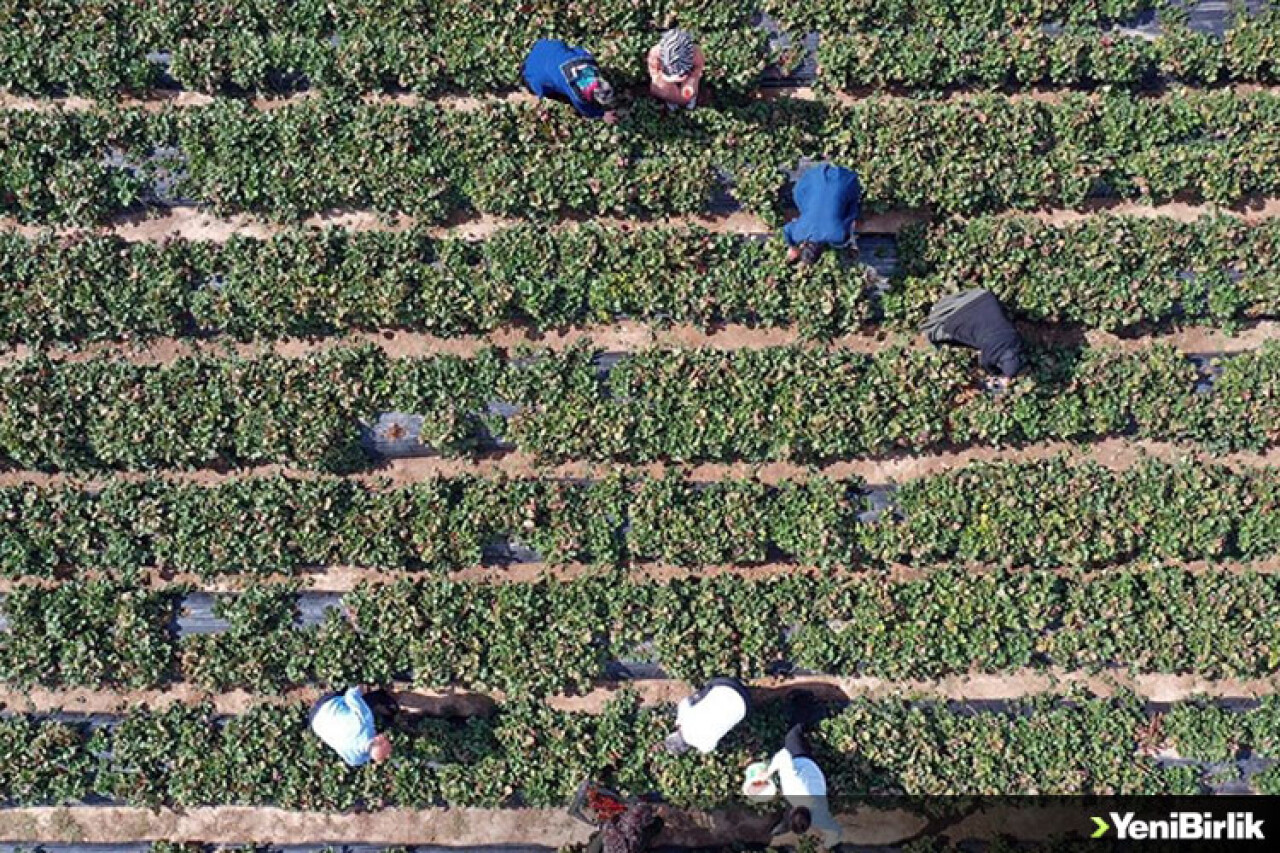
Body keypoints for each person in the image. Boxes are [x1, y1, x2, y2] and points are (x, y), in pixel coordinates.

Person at [766, 691, 842, 849]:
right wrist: (767, 773)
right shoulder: (796, 788)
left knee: (793, 740)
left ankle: (783, 825)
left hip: (815, 779)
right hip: (805, 763)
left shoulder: (821, 817)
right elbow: (784, 755)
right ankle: (805, 699)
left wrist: (825, 846)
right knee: (792, 734)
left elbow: (836, 833)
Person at [921, 288, 1026, 378]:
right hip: (961, 313)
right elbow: (987, 366)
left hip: (984, 297)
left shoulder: (1016, 340)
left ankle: (941, 305)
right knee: (936, 331)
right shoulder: (991, 353)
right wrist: (998, 374)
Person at [522, 38, 617, 122]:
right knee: (548, 89)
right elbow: (586, 111)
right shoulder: (578, 96)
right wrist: (602, 115)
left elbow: (578, 50)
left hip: (544, 46)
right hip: (531, 73)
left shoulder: (588, 60)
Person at [783, 164, 861, 265]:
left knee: (848, 209)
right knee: (799, 197)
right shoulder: (798, 233)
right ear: (803, 245)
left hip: (847, 179)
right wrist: (792, 246)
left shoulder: (838, 236)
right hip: (815, 174)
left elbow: (851, 216)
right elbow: (786, 230)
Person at [309, 685, 394, 766]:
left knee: (366, 701)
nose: (384, 736)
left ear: (378, 739)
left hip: (326, 704)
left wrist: (361, 685)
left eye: (385, 739)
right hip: (315, 722)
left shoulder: (365, 722)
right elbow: (371, 753)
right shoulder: (355, 760)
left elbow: (351, 694)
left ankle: (383, 695)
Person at [662, 676, 750, 754]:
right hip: (728, 685)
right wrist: (679, 721)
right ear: (673, 734)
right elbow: (685, 702)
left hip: (745, 704)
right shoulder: (683, 718)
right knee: (701, 694)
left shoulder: (705, 747)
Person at [648, 28, 705, 110]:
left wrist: (693, 77)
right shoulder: (655, 53)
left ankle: (688, 99)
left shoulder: (696, 53)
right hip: (665, 75)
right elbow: (654, 73)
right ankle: (671, 99)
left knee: (689, 90)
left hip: (688, 74)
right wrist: (664, 78)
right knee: (661, 89)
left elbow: (698, 68)